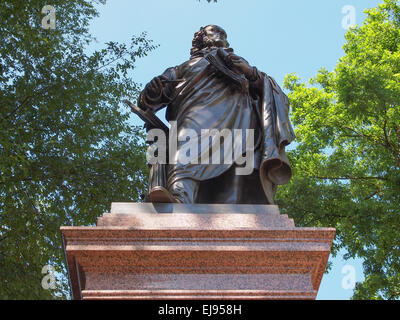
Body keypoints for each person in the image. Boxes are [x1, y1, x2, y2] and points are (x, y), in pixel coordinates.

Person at [138, 25, 295, 204]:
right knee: (184, 155)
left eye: (224, 34)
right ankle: (180, 199)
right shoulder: (181, 68)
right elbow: (147, 103)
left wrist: (251, 73)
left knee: (236, 175)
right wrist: (152, 91)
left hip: (239, 121)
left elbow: (271, 92)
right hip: (194, 118)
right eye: (216, 31)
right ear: (202, 38)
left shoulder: (236, 62)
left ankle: (236, 218)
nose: (222, 35)